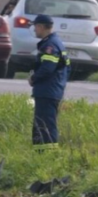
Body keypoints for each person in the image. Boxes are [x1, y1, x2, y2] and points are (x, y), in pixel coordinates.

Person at [28, 14, 69, 148]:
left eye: (35, 27)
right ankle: (40, 154)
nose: (34, 30)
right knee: (42, 124)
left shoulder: (50, 45)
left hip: (48, 91)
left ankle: (48, 155)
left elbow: (47, 68)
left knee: (45, 125)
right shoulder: (53, 42)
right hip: (51, 90)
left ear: (40, 26)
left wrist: (34, 78)